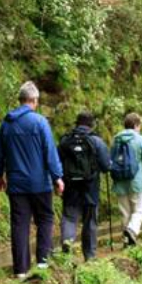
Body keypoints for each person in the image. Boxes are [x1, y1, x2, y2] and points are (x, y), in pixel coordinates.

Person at [0, 81, 64, 278]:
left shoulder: (7, 124)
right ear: (34, 100)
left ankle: (21, 270)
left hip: (17, 184)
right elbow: (49, 151)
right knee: (45, 219)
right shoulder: (40, 122)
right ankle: (42, 262)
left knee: (19, 224)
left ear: (20, 99)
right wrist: (57, 177)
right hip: (40, 183)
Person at [58, 111, 111, 261]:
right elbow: (106, 166)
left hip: (70, 186)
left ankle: (67, 244)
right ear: (91, 124)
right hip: (90, 187)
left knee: (69, 218)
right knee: (90, 221)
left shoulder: (65, 141)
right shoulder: (96, 141)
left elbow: (56, 162)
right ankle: (90, 256)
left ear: (77, 123)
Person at [111, 113, 142, 247]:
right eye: (140, 125)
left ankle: (127, 242)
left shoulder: (116, 139)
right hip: (136, 182)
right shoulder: (139, 139)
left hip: (119, 182)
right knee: (139, 209)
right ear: (136, 125)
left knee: (125, 212)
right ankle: (131, 230)